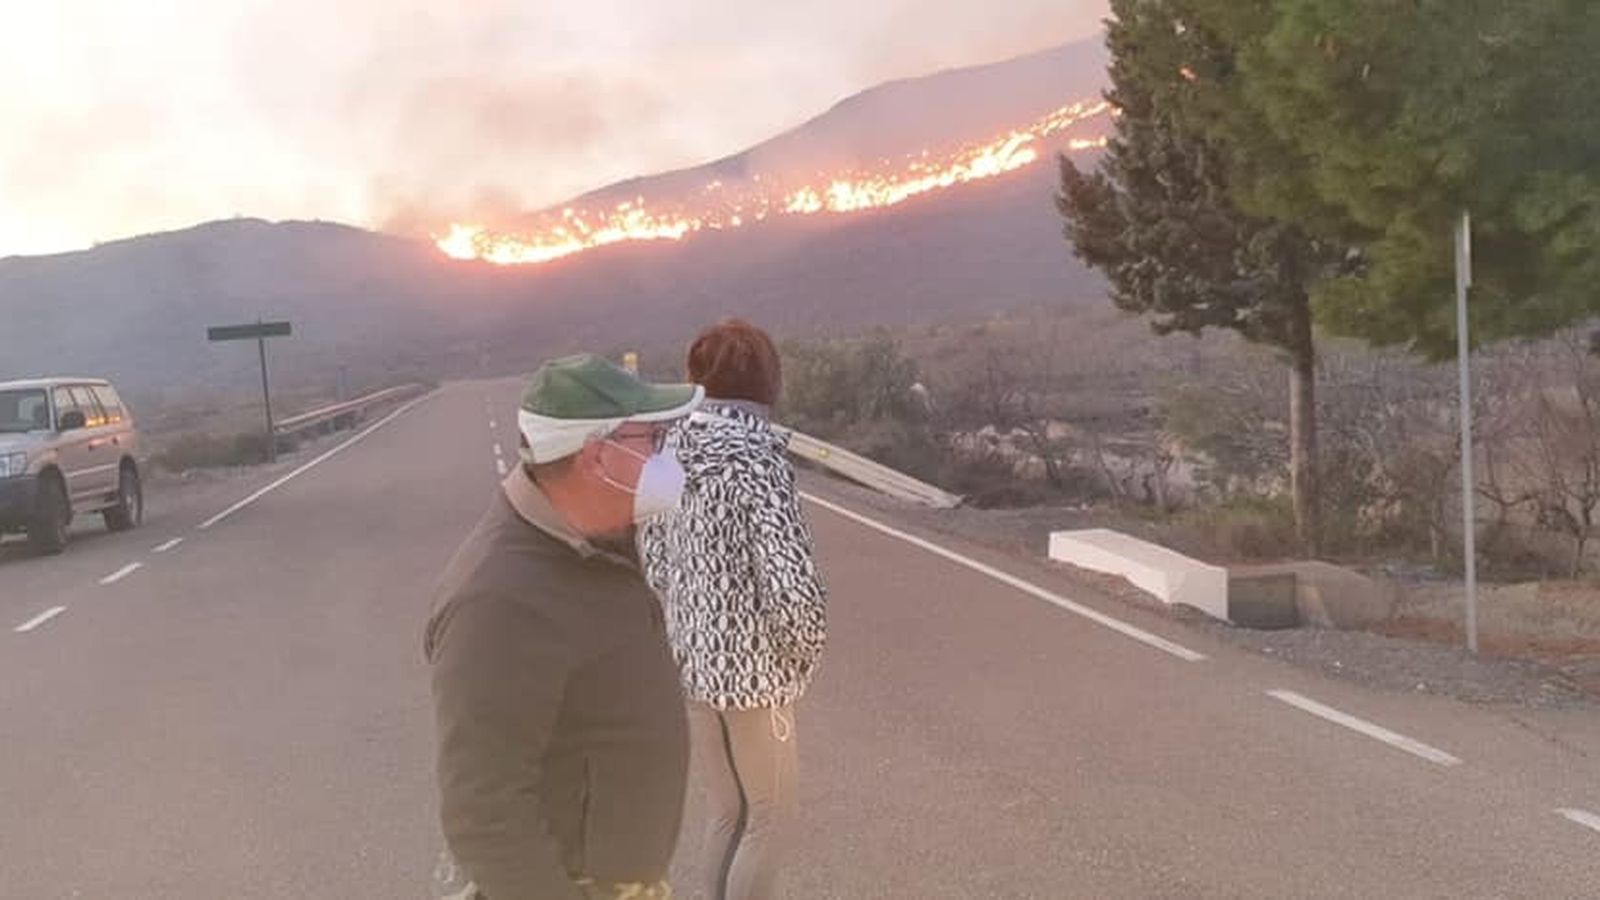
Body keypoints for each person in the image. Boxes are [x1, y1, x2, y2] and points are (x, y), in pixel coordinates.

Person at [425, 353, 704, 900]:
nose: (666, 456)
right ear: (598, 457)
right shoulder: (499, 600)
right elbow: (483, 810)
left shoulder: (596, 541)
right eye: (651, 439)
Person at [638, 319, 828, 900]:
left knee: (727, 813)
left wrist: (696, 617)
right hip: (755, 676)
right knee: (771, 819)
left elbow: (654, 560)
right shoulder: (759, 458)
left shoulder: (666, 451)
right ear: (768, 380)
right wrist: (801, 655)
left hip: (692, 664)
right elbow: (792, 586)